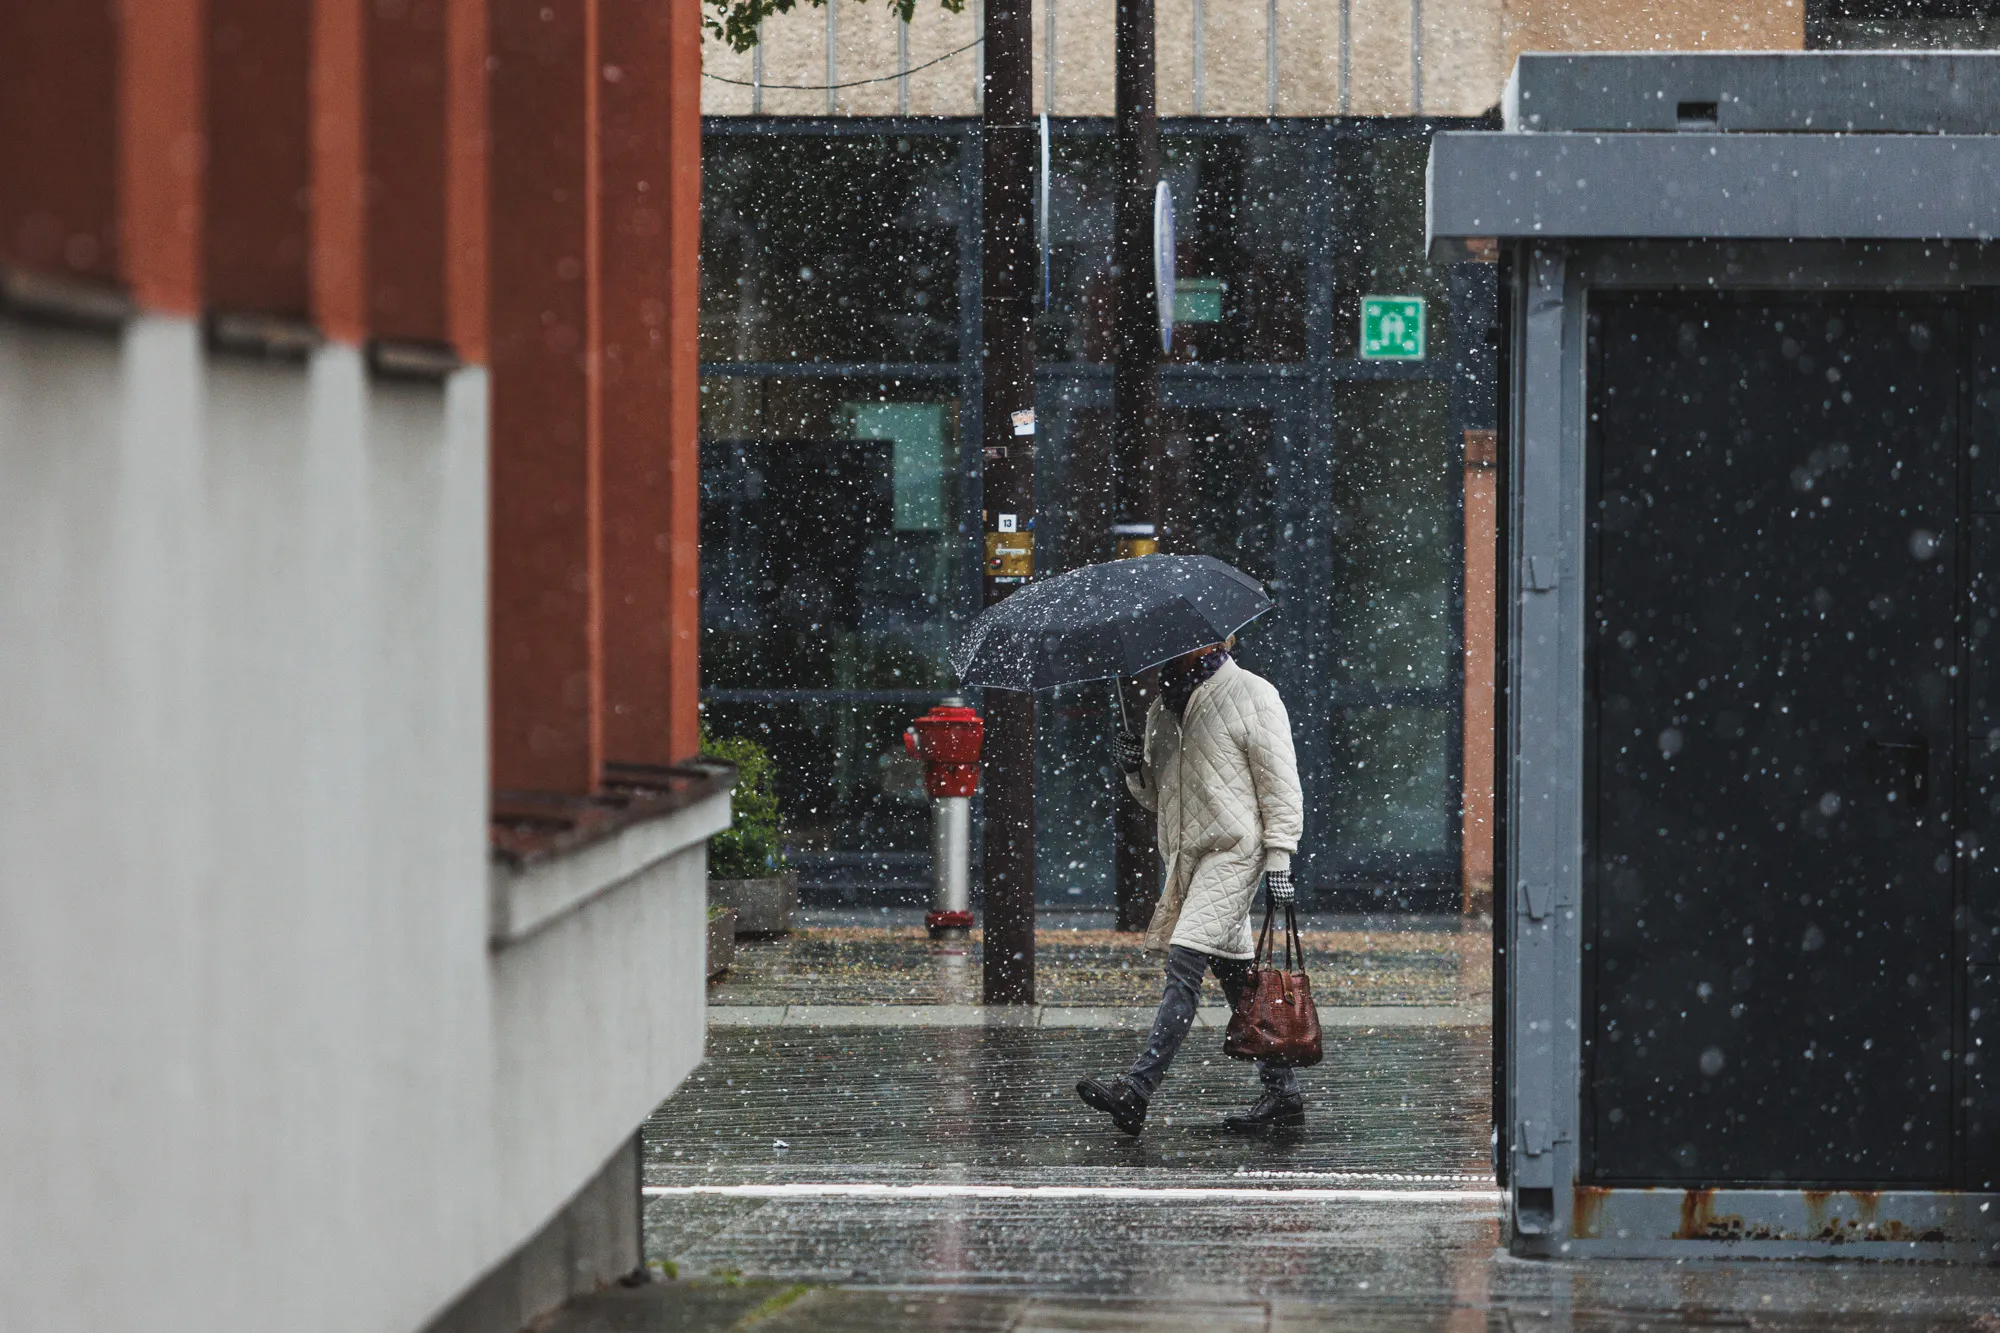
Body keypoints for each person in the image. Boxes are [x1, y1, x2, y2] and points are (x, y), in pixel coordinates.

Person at [1076, 636, 1305, 1136]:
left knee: (1184, 963)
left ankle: (1136, 1090)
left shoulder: (1252, 693)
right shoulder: (1163, 709)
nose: (1170, 649)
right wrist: (1133, 764)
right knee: (1237, 977)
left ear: (1218, 642)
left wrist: (1280, 860)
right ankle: (1283, 1093)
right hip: (1188, 860)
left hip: (1235, 853)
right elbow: (1158, 798)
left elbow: (1281, 785)